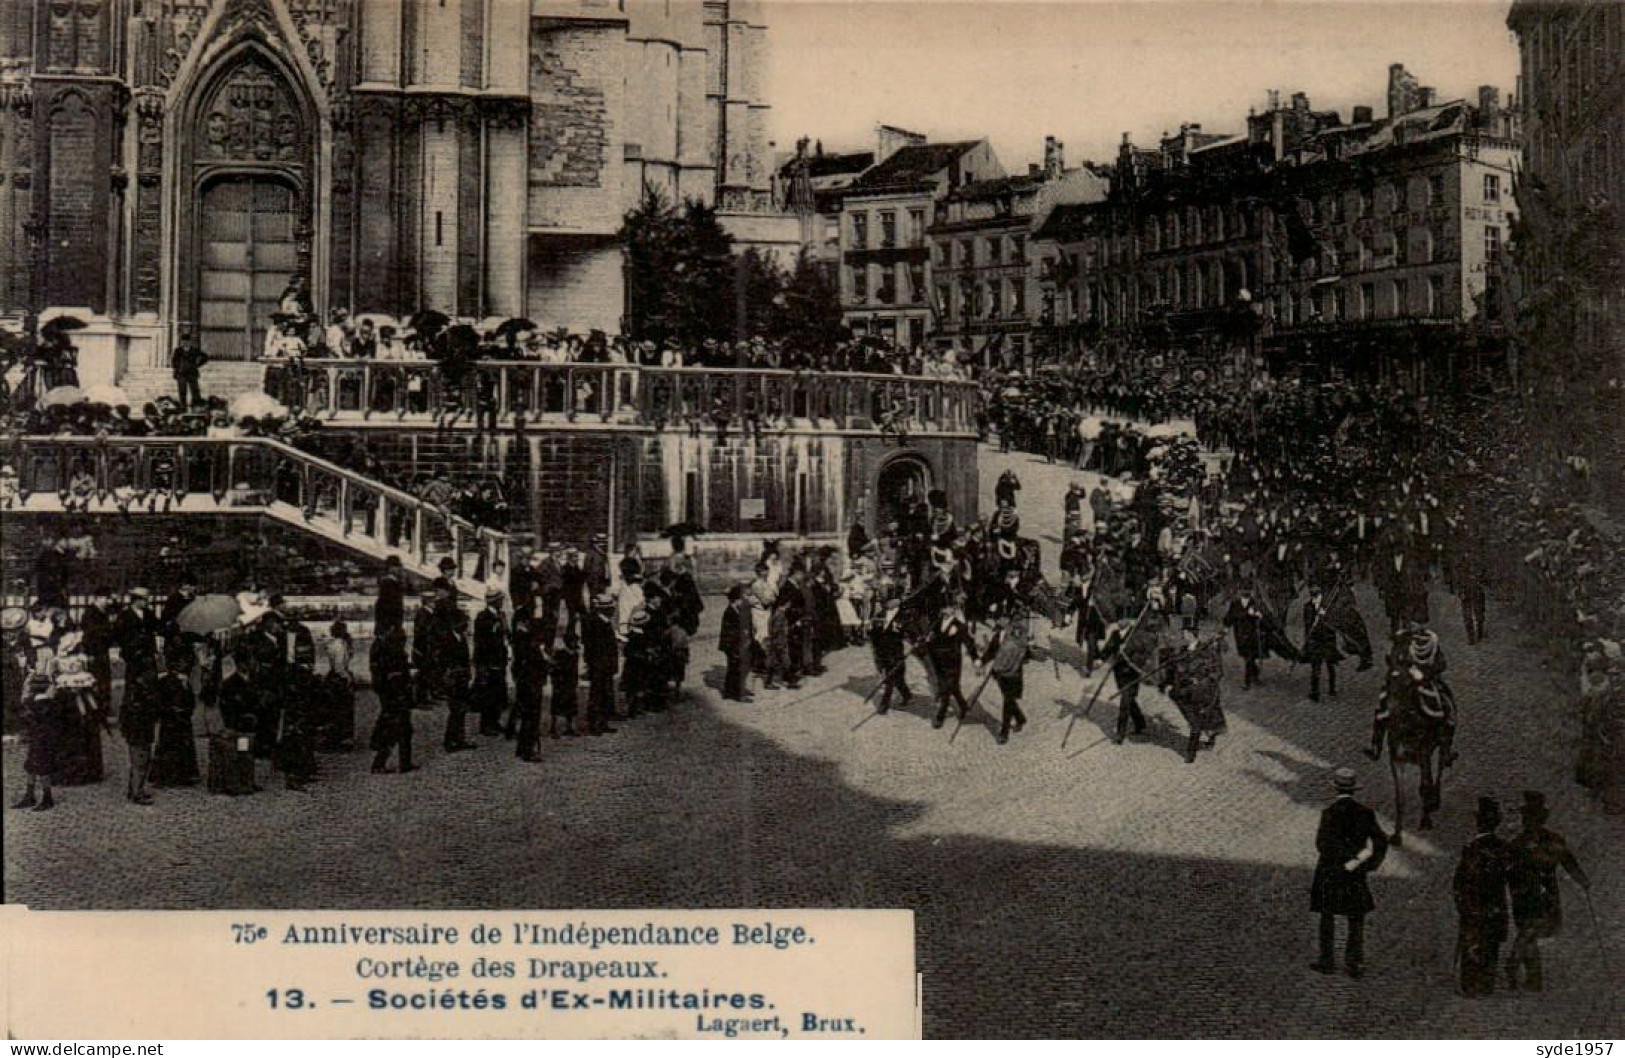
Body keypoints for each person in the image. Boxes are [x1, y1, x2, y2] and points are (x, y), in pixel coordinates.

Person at [1505, 791, 1591, 992]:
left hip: (1525, 895)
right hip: (1544, 895)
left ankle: (1528, 973)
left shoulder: (1517, 844)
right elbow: (1568, 862)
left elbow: (1507, 872)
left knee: (1528, 932)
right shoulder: (1551, 840)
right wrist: (1583, 881)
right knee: (1530, 933)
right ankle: (1522, 968)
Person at [1309, 767, 1388, 979]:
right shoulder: (1365, 813)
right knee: (1356, 917)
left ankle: (1327, 960)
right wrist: (1361, 862)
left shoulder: (1329, 813)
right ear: (1354, 790)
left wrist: (1337, 863)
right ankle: (1354, 962)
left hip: (1330, 871)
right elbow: (1380, 841)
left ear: (1335, 788)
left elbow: (1321, 844)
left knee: (1327, 916)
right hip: (1354, 873)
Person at [1453, 796, 1512, 997]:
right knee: (1491, 944)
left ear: (1478, 822)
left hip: (1474, 904)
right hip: (1495, 904)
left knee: (1471, 942)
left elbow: (1461, 880)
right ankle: (1486, 984)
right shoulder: (1504, 848)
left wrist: (1461, 902)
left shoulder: (1471, 848)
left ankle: (1470, 984)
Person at [1161, 618, 1226, 763]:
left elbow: (1218, 672)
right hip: (1184, 693)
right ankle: (1200, 740)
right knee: (1195, 722)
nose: (1183, 636)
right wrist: (1168, 683)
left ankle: (1192, 753)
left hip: (1203, 693)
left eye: (1185, 634)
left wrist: (1202, 682)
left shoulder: (1207, 651)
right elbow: (1174, 670)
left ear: (1192, 635)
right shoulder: (1182, 651)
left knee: (1202, 721)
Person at [980, 604, 1033, 745]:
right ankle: (1020, 718)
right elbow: (991, 652)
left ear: (1008, 621)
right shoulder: (998, 635)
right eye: (997, 619)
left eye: (1001, 619)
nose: (998, 622)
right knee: (1007, 698)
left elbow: (1025, 654)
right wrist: (981, 661)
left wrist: (1027, 648)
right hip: (999, 673)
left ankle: (1004, 732)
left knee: (1007, 701)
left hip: (1013, 673)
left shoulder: (1016, 635)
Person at [368, 621, 416, 774]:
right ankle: (382, 763)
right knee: (396, 729)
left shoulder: (387, 647)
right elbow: (388, 674)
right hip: (395, 693)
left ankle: (404, 762)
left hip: (396, 692)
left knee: (402, 728)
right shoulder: (385, 649)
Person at [926, 595, 973, 729]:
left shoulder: (959, 626)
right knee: (953, 687)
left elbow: (968, 642)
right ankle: (963, 706)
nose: (944, 611)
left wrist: (975, 658)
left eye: (947, 608)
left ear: (953, 609)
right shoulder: (937, 622)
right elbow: (932, 638)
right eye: (943, 608)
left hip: (952, 661)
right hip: (938, 660)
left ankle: (940, 716)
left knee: (945, 689)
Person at [472, 588, 510, 736]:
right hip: (488, 660)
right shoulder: (483, 617)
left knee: (498, 692)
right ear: (494, 601)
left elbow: (506, 635)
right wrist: (482, 665)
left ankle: (495, 721)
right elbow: (481, 642)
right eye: (500, 600)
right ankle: (486, 725)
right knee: (488, 694)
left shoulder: (500, 616)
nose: (502, 603)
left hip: (499, 659)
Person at [580, 593, 618, 735]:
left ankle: (602, 722)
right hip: (598, 664)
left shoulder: (604, 622)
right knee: (596, 694)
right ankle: (594, 724)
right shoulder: (595, 623)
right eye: (610, 608)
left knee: (605, 694)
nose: (613, 611)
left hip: (606, 664)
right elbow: (591, 647)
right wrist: (591, 663)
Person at [1301, 583, 1344, 702]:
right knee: (1316, 668)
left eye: (1318, 596)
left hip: (1328, 640)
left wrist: (1325, 616)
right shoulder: (1307, 607)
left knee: (1330, 665)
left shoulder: (1328, 606)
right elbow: (1307, 625)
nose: (1316, 598)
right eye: (1314, 596)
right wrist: (1315, 618)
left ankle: (1332, 689)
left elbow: (1335, 623)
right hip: (1315, 641)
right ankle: (1314, 693)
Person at [720, 583, 754, 703]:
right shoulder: (729, 612)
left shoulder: (738, 610)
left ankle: (730, 691)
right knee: (736, 668)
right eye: (741, 599)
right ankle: (738, 693)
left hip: (737, 644)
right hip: (732, 645)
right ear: (735, 600)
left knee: (734, 668)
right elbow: (729, 632)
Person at [171, 331, 208, 409]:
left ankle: (196, 406)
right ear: (181, 342)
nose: (185, 343)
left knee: (195, 391)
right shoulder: (178, 350)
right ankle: (183, 406)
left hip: (192, 373)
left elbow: (205, 357)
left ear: (190, 342)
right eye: (183, 341)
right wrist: (177, 368)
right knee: (182, 391)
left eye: (187, 341)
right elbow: (174, 361)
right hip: (181, 374)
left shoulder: (194, 350)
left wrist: (197, 365)